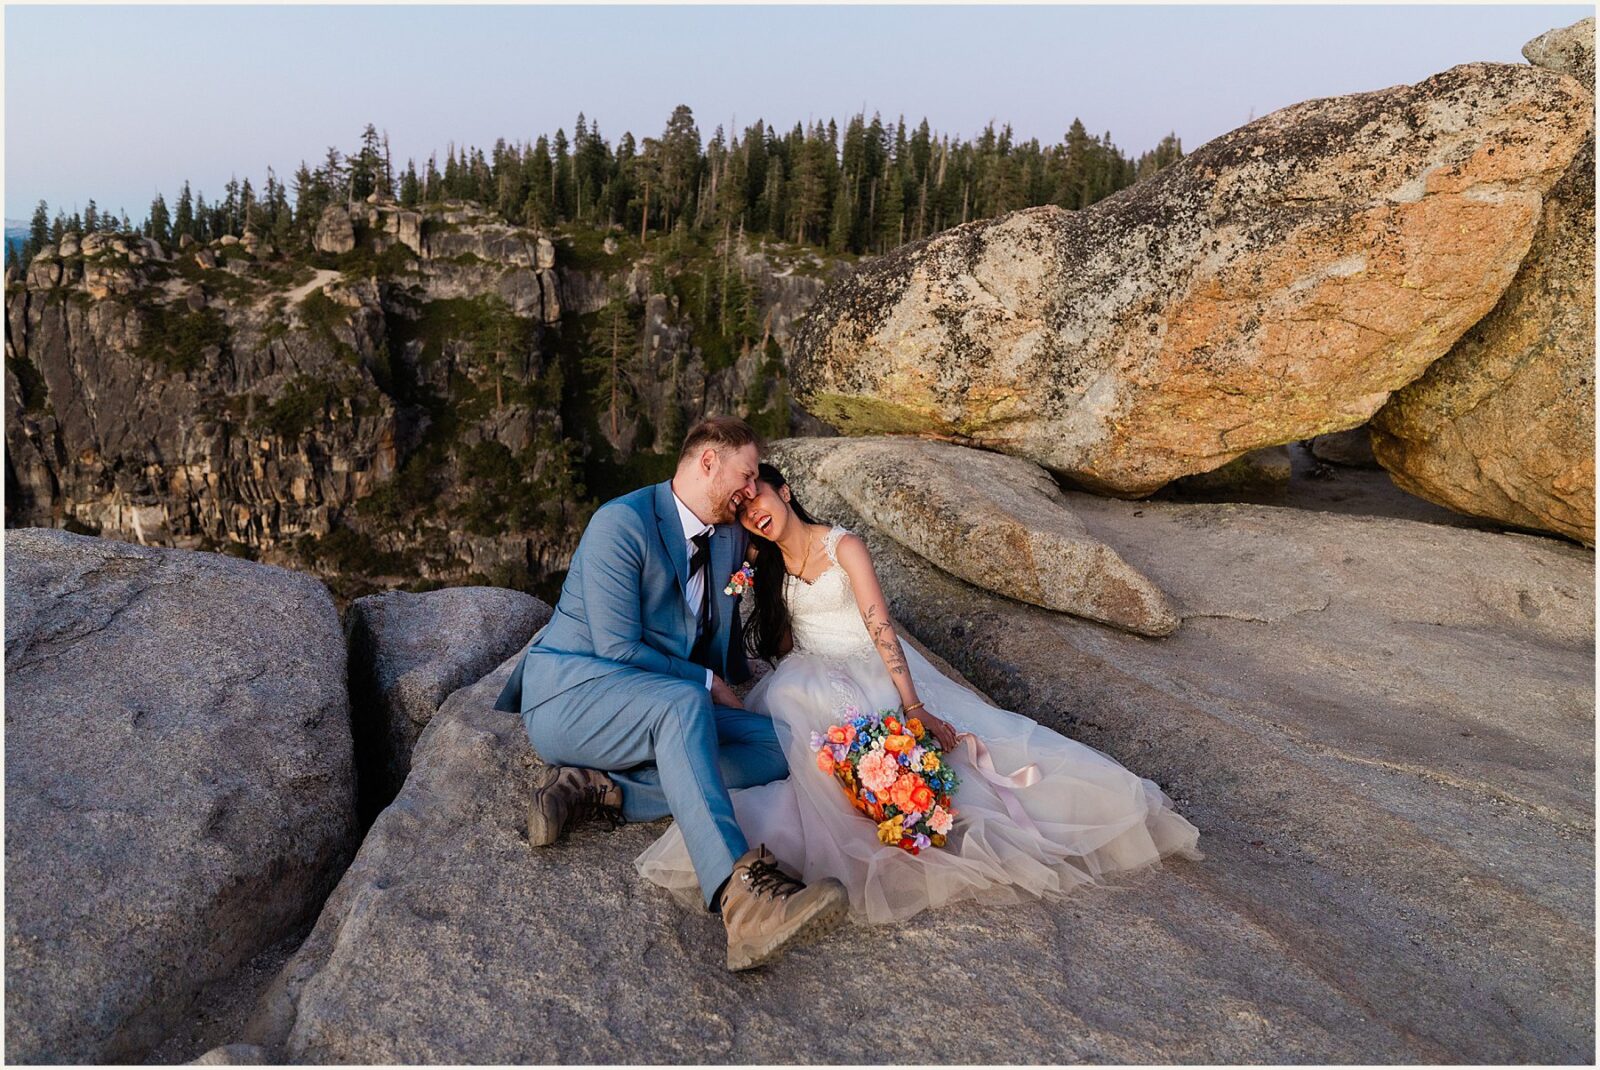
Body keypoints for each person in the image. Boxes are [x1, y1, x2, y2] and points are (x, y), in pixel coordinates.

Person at [634, 462, 1203, 925]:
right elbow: (782, 648)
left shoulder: (843, 546)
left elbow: (881, 627)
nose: (753, 510)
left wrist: (913, 707)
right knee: (790, 709)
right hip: (810, 672)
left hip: (873, 668)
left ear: (785, 492)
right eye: (743, 509)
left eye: (760, 496)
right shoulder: (769, 571)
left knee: (926, 750)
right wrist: (748, 579)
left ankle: (888, 801)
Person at [493, 419, 849, 971]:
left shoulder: (730, 537)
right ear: (708, 460)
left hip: (658, 704)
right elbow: (616, 650)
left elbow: (717, 631)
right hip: (574, 696)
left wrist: (762, 662)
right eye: (747, 475)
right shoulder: (621, 524)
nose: (752, 490)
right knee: (684, 706)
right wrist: (707, 684)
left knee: (784, 746)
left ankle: (607, 789)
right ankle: (742, 903)